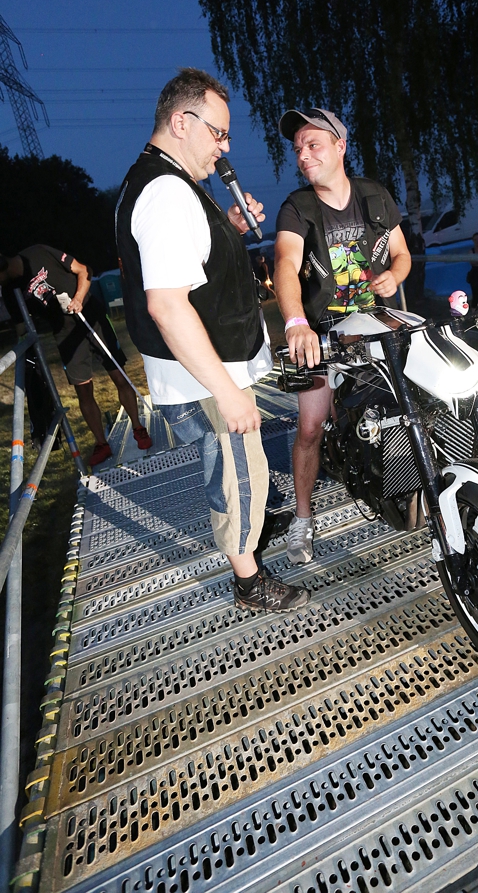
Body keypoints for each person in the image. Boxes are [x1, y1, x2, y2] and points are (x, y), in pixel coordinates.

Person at [115, 68, 310, 612]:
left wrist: (227, 226)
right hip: (206, 375)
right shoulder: (166, 193)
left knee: (231, 466)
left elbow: (185, 263)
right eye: (218, 133)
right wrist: (226, 392)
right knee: (238, 472)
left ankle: (250, 530)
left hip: (202, 366)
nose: (225, 147)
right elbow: (167, 305)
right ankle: (249, 580)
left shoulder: (160, 181)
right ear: (181, 122)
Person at [273, 107, 411, 564]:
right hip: (323, 334)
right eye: (298, 149)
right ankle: (303, 517)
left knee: (412, 403)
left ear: (340, 146)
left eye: (313, 145)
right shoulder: (297, 207)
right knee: (310, 427)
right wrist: (296, 323)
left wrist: (394, 275)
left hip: (376, 324)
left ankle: (415, 487)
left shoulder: (375, 195)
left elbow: (402, 254)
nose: (303, 155)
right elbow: (286, 264)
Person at [0, 246, 152, 466]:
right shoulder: (10, 291)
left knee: (119, 375)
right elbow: (21, 327)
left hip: (90, 316)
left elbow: (84, 270)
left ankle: (138, 428)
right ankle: (102, 444)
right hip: (64, 332)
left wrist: (78, 298)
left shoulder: (39, 253)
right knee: (83, 389)